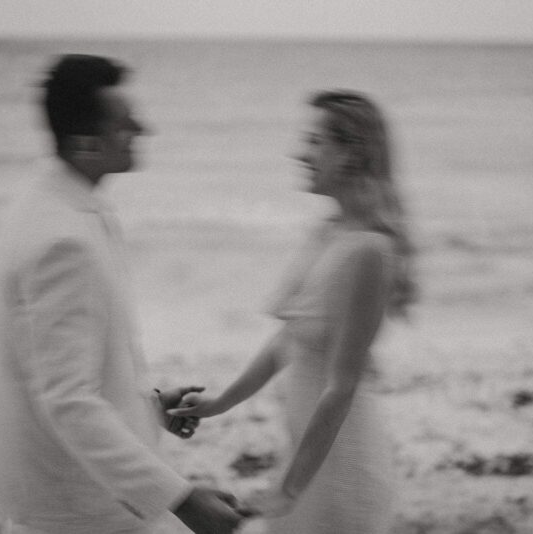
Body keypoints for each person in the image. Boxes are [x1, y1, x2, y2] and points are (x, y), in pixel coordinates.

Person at [0, 54, 244, 534]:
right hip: (79, 513)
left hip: (70, 500)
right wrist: (181, 499)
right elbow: (68, 400)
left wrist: (147, 405)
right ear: (85, 143)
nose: (143, 127)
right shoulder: (63, 240)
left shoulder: (45, 206)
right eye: (124, 122)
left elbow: (46, 367)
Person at [169, 90, 416, 533]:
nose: (301, 153)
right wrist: (221, 402)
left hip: (342, 467)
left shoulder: (370, 252)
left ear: (350, 154)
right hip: (308, 457)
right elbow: (288, 339)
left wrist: (290, 487)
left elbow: (342, 386)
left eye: (316, 141)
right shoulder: (326, 234)